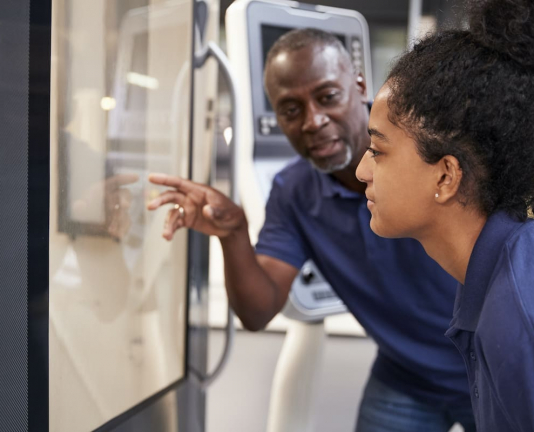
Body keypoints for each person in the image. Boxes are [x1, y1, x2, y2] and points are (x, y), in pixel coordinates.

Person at [148, 29, 475, 431]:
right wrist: (233, 233)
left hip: (491, 363)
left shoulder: (430, 146)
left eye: (327, 97)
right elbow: (257, 310)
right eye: (290, 109)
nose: (313, 121)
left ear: (358, 86)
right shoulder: (295, 192)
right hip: (407, 376)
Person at [356, 0, 534, 430]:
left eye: (378, 151)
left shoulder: (517, 320)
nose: (362, 170)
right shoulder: (490, 277)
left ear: (446, 176)